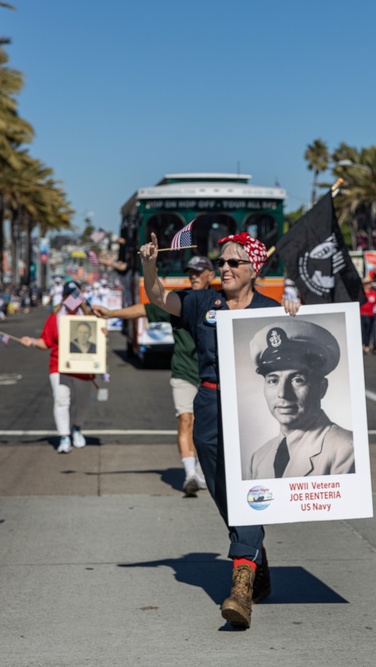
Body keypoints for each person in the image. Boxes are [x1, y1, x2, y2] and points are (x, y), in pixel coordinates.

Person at [141, 229, 298, 630]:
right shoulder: (200, 301)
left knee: (247, 487)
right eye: (221, 262)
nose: (223, 268)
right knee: (223, 489)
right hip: (209, 403)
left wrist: (295, 313)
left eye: (233, 263)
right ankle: (255, 556)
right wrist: (149, 264)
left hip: (251, 407)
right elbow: (159, 296)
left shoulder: (270, 308)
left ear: (253, 269)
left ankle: (241, 586)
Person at [91, 254, 215, 497]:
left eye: (199, 272)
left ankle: (201, 470)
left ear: (211, 275)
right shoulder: (182, 301)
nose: (193, 276)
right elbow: (145, 309)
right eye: (190, 272)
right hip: (183, 371)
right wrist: (111, 313)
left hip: (211, 374)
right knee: (185, 419)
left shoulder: (222, 301)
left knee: (207, 429)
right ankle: (190, 473)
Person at [246, 319, 355, 479]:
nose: (282, 393)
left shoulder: (346, 449)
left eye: (297, 379)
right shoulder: (258, 459)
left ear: (321, 388)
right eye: (273, 380)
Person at [18, 281, 98, 453]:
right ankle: (64, 436)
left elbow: (98, 341)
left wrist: (102, 333)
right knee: (61, 400)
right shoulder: (55, 318)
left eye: (76, 295)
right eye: (69, 296)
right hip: (59, 365)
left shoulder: (89, 319)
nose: (72, 299)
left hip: (83, 367)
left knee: (83, 404)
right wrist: (31, 341)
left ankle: (76, 428)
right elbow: (45, 342)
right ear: (63, 298)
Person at [359, 278, 376, 354]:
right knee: (362, 331)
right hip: (361, 314)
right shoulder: (361, 293)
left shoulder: (373, 293)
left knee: (369, 331)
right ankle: (362, 344)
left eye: (369, 283)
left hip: (370, 314)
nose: (368, 285)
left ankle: (367, 345)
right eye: (367, 284)